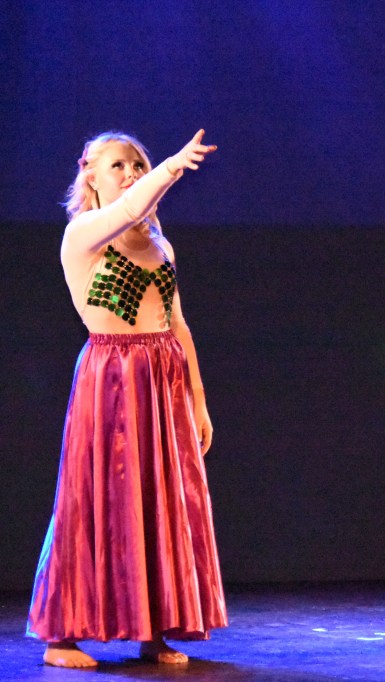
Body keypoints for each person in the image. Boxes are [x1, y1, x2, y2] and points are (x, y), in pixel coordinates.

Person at [27, 130, 227, 667]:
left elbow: (177, 324)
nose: (131, 173)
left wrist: (198, 399)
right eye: (118, 164)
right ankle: (60, 639)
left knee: (159, 501)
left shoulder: (160, 245)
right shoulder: (83, 235)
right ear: (89, 173)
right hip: (111, 376)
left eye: (137, 164)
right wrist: (171, 166)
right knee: (92, 499)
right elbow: (130, 207)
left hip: (163, 379)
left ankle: (153, 630)